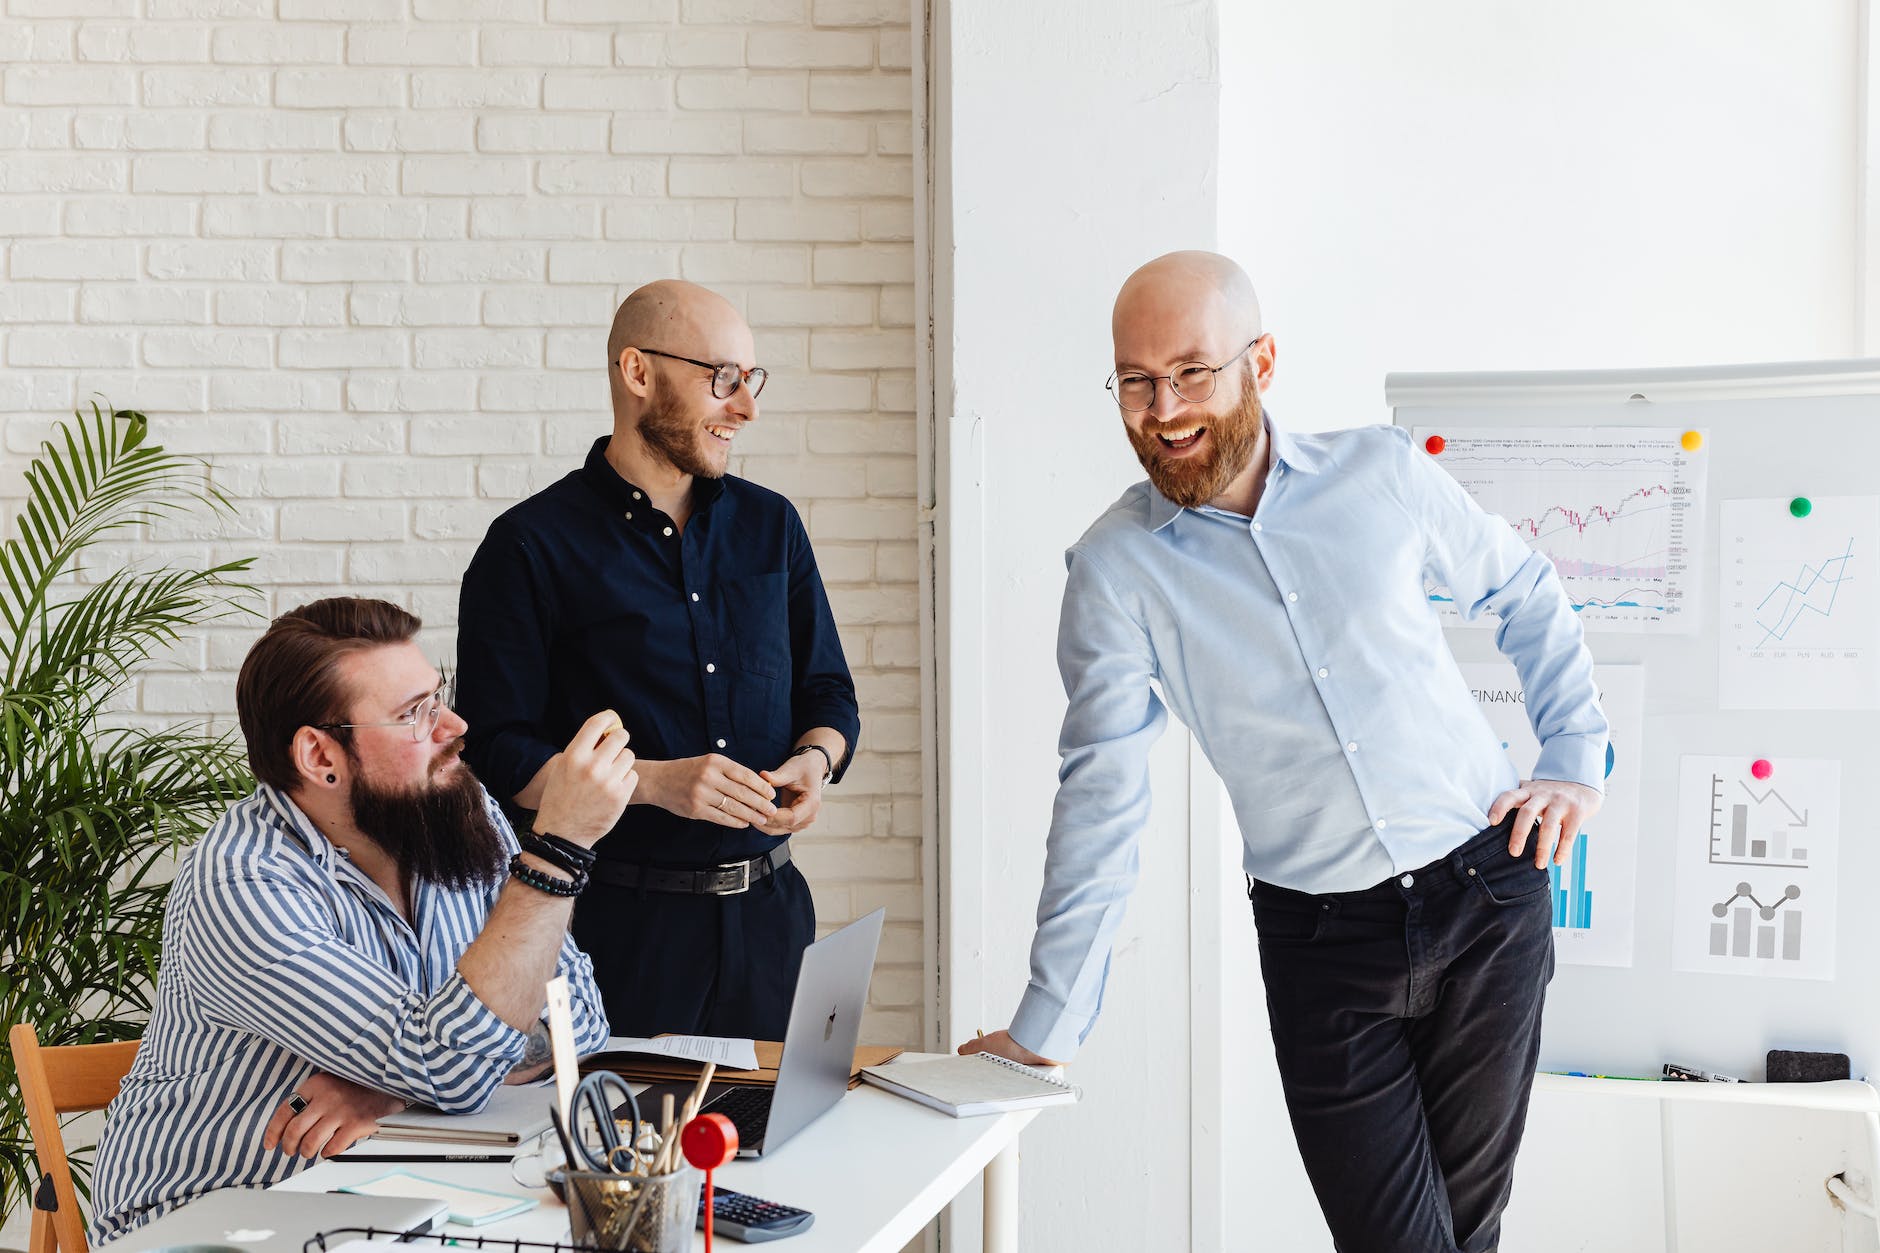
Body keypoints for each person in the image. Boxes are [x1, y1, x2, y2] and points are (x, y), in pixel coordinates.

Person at [961, 252, 1608, 1253]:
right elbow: (1101, 798)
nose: (1162, 406)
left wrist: (1571, 756)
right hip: (1321, 946)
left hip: (1485, 898)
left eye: (1190, 372)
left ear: (1259, 359)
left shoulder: (1381, 474)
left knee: (1464, 1233)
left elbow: (1523, 591)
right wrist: (1041, 1028)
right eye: (1135, 379)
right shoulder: (1113, 572)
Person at [90, 597, 632, 1244]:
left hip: (377, 1196)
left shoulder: (456, 809)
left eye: (440, 698)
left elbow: (581, 1026)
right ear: (320, 756)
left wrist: (398, 1083)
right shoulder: (242, 881)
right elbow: (450, 1065)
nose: (454, 726)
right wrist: (558, 849)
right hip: (206, 1219)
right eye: (413, 714)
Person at [456, 279, 860, 1040]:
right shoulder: (527, 547)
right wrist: (653, 782)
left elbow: (828, 689)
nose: (747, 407)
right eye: (723, 380)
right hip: (614, 937)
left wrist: (817, 758)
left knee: (779, 1154)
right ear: (638, 373)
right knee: (620, 1158)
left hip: (772, 925)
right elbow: (495, 752)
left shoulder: (773, 525)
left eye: (751, 381)